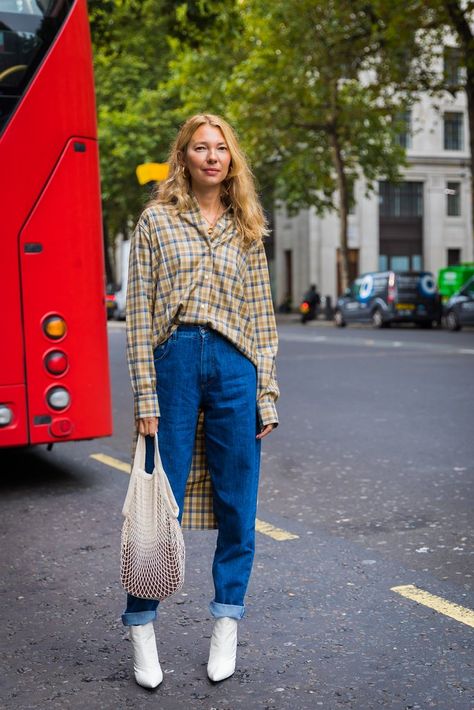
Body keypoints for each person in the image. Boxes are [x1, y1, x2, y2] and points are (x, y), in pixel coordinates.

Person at [122, 113, 280, 688]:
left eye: (221, 148)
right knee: (159, 508)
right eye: (200, 148)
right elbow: (139, 315)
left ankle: (227, 623)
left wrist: (266, 391)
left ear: (231, 159)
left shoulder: (247, 226)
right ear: (183, 157)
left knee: (240, 500)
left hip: (236, 364)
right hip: (176, 362)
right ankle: (141, 626)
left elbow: (262, 318)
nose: (212, 157)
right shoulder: (157, 222)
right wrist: (146, 393)